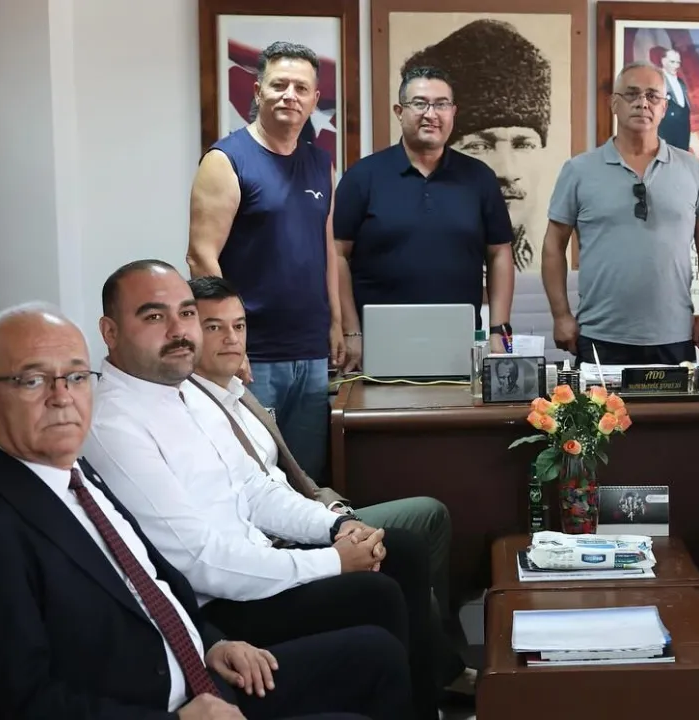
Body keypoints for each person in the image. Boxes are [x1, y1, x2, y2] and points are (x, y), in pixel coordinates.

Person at [0, 302, 410, 719]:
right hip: (158, 704)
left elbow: (150, 582)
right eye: (32, 380)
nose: (62, 396)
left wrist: (211, 643)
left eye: (77, 377)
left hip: (199, 669)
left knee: (377, 655)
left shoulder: (73, 472)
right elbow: (14, 703)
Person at [82, 260, 442, 720]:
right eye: (154, 316)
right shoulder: (113, 424)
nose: (178, 330)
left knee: (398, 551)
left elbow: (256, 490)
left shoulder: (189, 391)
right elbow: (199, 561)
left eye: (186, 313)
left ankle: (423, 706)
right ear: (110, 332)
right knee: (376, 594)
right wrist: (333, 561)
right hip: (217, 605)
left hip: (253, 567)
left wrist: (336, 527)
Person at [185, 274, 475, 699]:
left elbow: (281, 482)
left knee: (405, 542)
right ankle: (436, 673)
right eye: (214, 327)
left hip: (306, 514)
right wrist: (335, 536)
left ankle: (436, 666)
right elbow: (247, 510)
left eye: (239, 326)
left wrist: (337, 519)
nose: (232, 338)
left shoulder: (236, 390)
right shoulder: (191, 408)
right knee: (399, 553)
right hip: (269, 550)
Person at [186, 41, 344, 482]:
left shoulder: (321, 163)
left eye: (301, 88)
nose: (289, 95)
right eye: (279, 85)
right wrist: (230, 343)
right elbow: (200, 256)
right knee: (254, 476)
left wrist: (336, 322)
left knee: (307, 477)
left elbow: (326, 248)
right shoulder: (226, 160)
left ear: (315, 99)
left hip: (310, 350)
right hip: (254, 353)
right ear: (258, 91)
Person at [334, 65, 515, 372]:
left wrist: (499, 329)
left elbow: (499, 252)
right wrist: (350, 330)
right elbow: (336, 254)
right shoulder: (363, 177)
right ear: (399, 111)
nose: (431, 114)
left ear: (453, 112)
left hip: (458, 344)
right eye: (420, 103)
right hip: (378, 344)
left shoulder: (479, 178)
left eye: (441, 104)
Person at [542, 61, 699, 365]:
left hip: (674, 336)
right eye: (631, 94)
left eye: (652, 95)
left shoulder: (690, 168)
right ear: (614, 103)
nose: (642, 103)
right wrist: (561, 315)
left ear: (664, 107)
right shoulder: (579, 170)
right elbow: (553, 245)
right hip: (600, 335)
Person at [401, 19, 552, 273]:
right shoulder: (407, 259)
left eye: (523, 144)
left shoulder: (543, 268)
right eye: (479, 146)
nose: (507, 171)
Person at [658, 48, 693, 153]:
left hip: (683, 135)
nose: (676, 66)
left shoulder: (681, 82)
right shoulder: (657, 80)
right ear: (663, 61)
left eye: (678, 62)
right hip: (665, 135)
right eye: (672, 62)